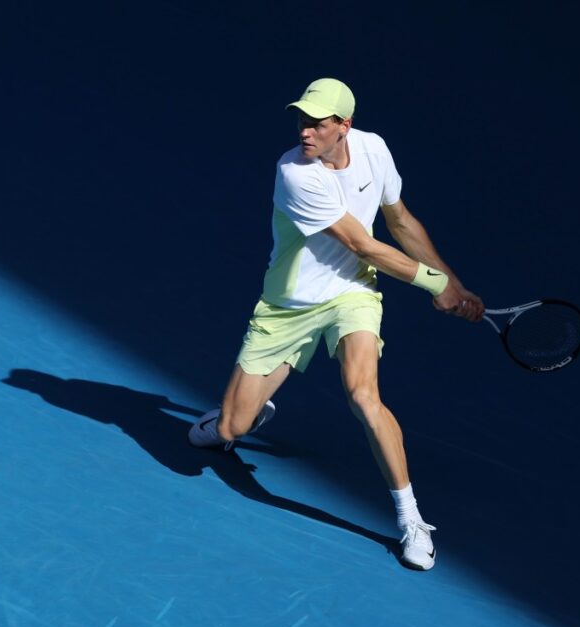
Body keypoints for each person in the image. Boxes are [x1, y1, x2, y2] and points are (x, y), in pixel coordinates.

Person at [188, 77, 484, 571]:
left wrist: (455, 283)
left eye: (318, 124)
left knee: (363, 395)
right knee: (230, 425)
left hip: (352, 293)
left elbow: (402, 221)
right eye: (301, 121)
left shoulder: (374, 150)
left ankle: (411, 519)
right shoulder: (295, 173)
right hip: (288, 306)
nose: (305, 132)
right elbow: (362, 244)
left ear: (345, 126)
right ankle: (239, 418)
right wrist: (436, 285)